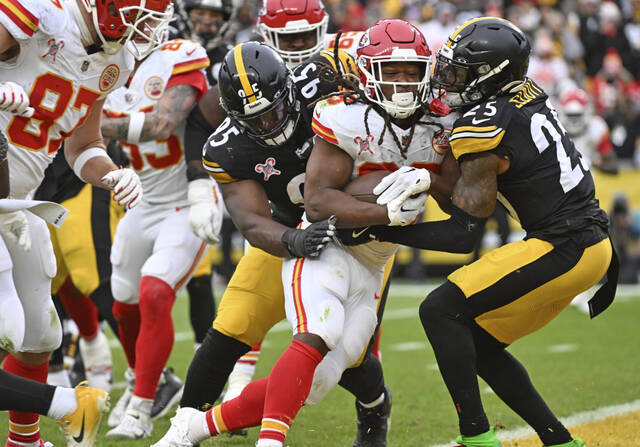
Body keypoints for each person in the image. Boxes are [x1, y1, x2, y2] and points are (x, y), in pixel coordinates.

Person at [154, 20, 458, 447]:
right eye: (253, 120)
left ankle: (374, 408)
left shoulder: (321, 77)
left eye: (275, 111)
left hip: (364, 229)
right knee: (232, 327)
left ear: (290, 90)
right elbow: (251, 221)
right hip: (289, 230)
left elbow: (384, 66)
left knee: (350, 355)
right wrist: (293, 240)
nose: (268, 125)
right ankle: (185, 425)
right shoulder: (227, 148)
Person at [359, 17, 619, 447]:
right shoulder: (525, 94)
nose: (447, 78)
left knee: (440, 310)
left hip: (565, 244)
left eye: (459, 72)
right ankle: (560, 442)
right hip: (589, 244)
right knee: (477, 341)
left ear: (491, 76)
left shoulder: (483, 125)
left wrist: (380, 231)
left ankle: (476, 436)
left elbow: (462, 237)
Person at [0, 0, 173, 445]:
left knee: (41, 331)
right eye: (141, 17)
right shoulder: (43, 12)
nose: (145, 30)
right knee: (6, 325)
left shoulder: (115, 57)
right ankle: (65, 405)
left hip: (15, 202)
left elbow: (83, 145)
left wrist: (111, 173)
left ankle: (25, 440)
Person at [99, 35, 222, 439]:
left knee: (155, 292)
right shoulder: (95, 61)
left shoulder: (180, 56)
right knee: (123, 306)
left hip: (184, 201)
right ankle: (152, 378)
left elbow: (161, 125)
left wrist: (85, 120)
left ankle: (141, 406)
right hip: (141, 201)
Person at [1, 128, 110, 447]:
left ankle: (58, 412)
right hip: (20, 208)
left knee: (36, 338)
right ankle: (29, 437)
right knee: (34, 333)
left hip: (17, 210)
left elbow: (86, 142)